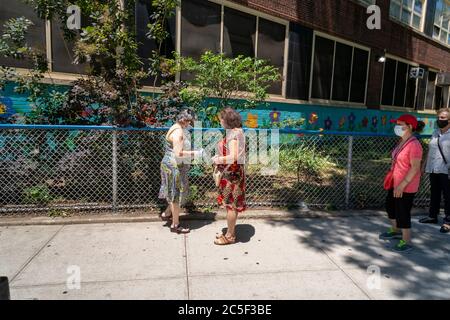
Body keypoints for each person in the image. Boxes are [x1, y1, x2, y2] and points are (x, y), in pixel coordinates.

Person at [380, 114, 425, 252]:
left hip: (406, 186)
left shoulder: (415, 145)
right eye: (397, 124)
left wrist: (402, 184)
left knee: (402, 212)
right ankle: (396, 230)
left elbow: (415, 167)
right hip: (396, 181)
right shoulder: (402, 141)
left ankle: (406, 241)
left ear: (410, 127)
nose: (397, 127)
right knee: (390, 206)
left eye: (401, 124)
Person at [159, 109, 203, 234]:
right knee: (175, 195)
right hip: (174, 166)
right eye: (190, 122)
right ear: (184, 120)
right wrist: (196, 153)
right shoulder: (178, 132)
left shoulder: (175, 127)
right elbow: (178, 153)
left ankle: (167, 213)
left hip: (172, 164)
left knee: (175, 192)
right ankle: (175, 225)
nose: (191, 124)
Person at [212, 107, 246, 245]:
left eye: (221, 118)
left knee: (231, 206)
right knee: (232, 205)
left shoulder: (233, 135)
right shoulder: (236, 133)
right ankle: (230, 232)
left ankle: (230, 236)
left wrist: (218, 160)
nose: (220, 120)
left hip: (232, 175)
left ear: (227, 121)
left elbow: (233, 157)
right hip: (234, 173)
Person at [419, 108, 450, 233]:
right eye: (439, 117)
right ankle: (432, 216)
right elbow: (430, 150)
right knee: (434, 193)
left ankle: (448, 221)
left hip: (446, 170)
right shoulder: (435, 132)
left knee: (448, 195)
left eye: (443, 118)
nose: (440, 119)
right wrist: (423, 166)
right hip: (433, 168)